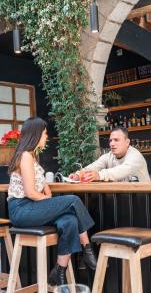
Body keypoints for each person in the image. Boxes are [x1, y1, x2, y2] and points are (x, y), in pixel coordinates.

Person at [7, 117, 96, 286]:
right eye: (45, 133)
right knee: (73, 200)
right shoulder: (25, 156)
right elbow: (31, 193)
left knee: (70, 220)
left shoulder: (32, 157)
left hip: (32, 207)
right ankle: (87, 247)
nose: (46, 137)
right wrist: (50, 202)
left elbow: (44, 187)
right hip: (22, 209)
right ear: (36, 134)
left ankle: (59, 272)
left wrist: (51, 202)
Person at [69, 127, 151, 182]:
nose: (112, 144)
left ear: (127, 142)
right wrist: (78, 175)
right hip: (123, 198)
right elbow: (94, 166)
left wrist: (99, 175)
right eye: (110, 140)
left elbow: (123, 169)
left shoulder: (135, 155)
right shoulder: (109, 156)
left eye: (116, 140)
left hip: (143, 198)